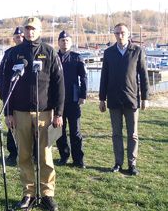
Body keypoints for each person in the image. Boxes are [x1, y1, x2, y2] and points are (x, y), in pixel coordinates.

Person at [3, 17, 64, 211]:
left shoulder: (49, 52)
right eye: (27, 29)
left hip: (45, 112)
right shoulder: (14, 53)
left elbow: (59, 85)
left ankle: (47, 194)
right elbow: (6, 85)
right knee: (24, 155)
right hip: (20, 112)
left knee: (45, 156)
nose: (30, 32)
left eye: (33, 29)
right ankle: (28, 193)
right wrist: (8, 112)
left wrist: (59, 113)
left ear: (40, 30)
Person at [99, 23, 149, 176]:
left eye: (122, 33)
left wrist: (145, 98)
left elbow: (144, 76)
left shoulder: (137, 51)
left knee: (133, 134)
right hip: (113, 100)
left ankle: (132, 164)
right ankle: (118, 163)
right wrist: (102, 98)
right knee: (116, 134)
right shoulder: (109, 53)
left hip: (131, 99)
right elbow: (104, 77)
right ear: (114, 35)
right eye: (117, 33)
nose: (120, 36)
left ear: (128, 34)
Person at [56, 31, 87, 168]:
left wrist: (83, 95)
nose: (64, 42)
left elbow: (83, 78)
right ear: (58, 42)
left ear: (71, 42)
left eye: (67, 40)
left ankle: (78, 159)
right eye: (62, 40)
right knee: (59, 131)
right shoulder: (54, 57)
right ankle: (64, 156)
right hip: (58, 101)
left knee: (75, 131)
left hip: (73, 99)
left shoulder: (76, 58)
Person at [0, 26, 24, 166]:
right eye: (16, 37)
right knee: (11, 123)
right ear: (13, 39)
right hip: (10, 94)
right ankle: (13, 152)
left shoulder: (28, 51)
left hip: (24, 96)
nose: (19, 39)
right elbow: (1, 74)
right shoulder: (9, 53)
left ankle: (30, 152)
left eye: (21, 36)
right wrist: (2, 92)